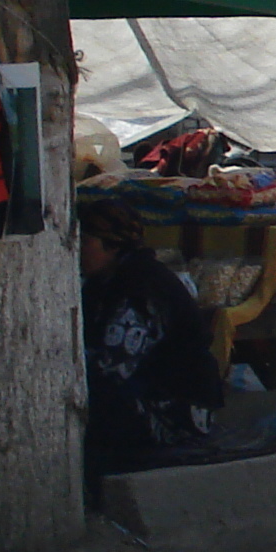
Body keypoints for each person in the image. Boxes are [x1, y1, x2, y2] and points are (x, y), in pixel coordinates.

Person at [80, 203, 225, 477]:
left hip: (176, 411)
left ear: (112, 245)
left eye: (86, 241)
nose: (77, 251)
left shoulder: (141, 286)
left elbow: (111, 366)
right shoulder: (102, 284)